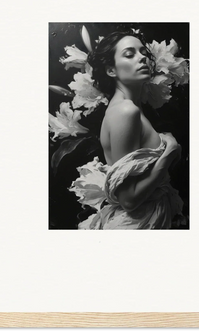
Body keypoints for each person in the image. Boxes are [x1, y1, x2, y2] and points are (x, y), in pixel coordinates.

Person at [76, 30, 184, 229]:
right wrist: (169, 153)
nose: (142, 57)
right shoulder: (126, 111)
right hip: (137, 223)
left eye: (143, 52)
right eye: (129, 54)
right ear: (111, 70)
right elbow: (129, 200)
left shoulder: (130, 107)